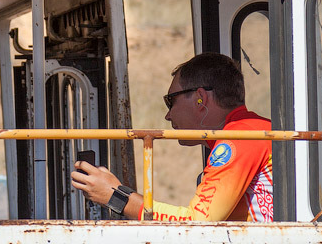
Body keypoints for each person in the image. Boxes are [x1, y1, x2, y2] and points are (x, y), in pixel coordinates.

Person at [71, 52, 273, 222]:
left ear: (200, 98)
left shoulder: (240, 138)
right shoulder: (251, 131)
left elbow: (197, 224)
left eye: (171, 101)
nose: (168, 115)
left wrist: (115, 196)